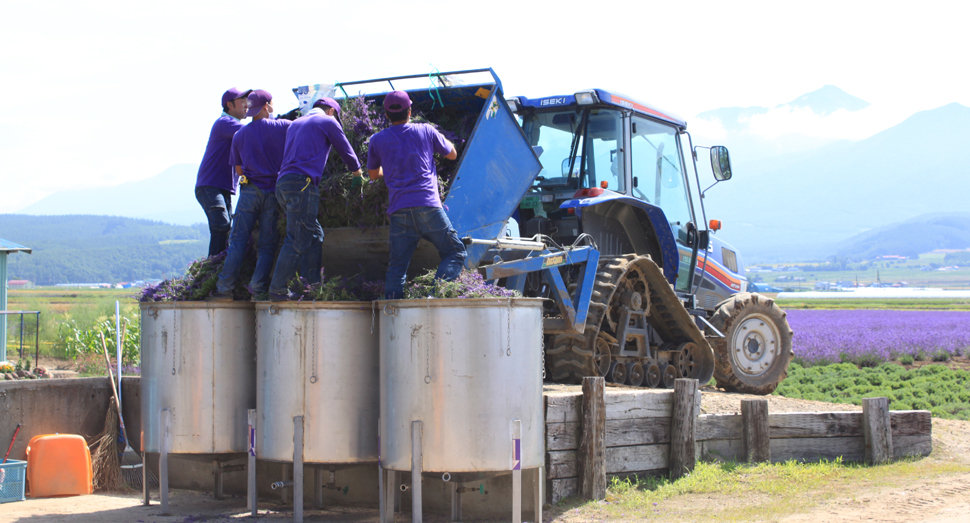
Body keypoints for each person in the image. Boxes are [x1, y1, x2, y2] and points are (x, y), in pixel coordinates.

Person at [367, 90, 467, 299]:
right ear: (410, 111)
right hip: (428, 206)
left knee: (397, 267)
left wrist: (390, 167)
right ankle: (434, 299)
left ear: (386, 115)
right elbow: (452, 154)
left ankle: (391, 313)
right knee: (454, 252)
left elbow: (373, 175)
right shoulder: (425, 130)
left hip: (399, 211)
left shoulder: (377, 140)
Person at [268, 97, 362, 301]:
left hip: (283, 184)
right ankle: (277, 290)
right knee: (297, 237)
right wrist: (357, 174)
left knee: (314, 234)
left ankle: (311, 286)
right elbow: (345, 149)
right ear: (331, 111)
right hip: (302, 184)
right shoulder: (328, 122)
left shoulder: (295, 124)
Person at [210, 90, 291, 301]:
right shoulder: (283, 126)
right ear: (266, 106)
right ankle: (258, 289)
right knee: (266, 244)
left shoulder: (240, 134)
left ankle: (224, 289)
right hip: (273, 193)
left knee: (237, 242)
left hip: (249, 192)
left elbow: (238, 170)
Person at [196, 87, 252, 256]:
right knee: (221, 225)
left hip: (221, 186)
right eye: (242, 102)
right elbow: (254, 133)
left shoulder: (231, 125)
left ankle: (218, 264)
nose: (246, 106)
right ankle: (213, 265)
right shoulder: (225, 123)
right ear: (229, 105)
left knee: (225, 229)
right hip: (210, 185)